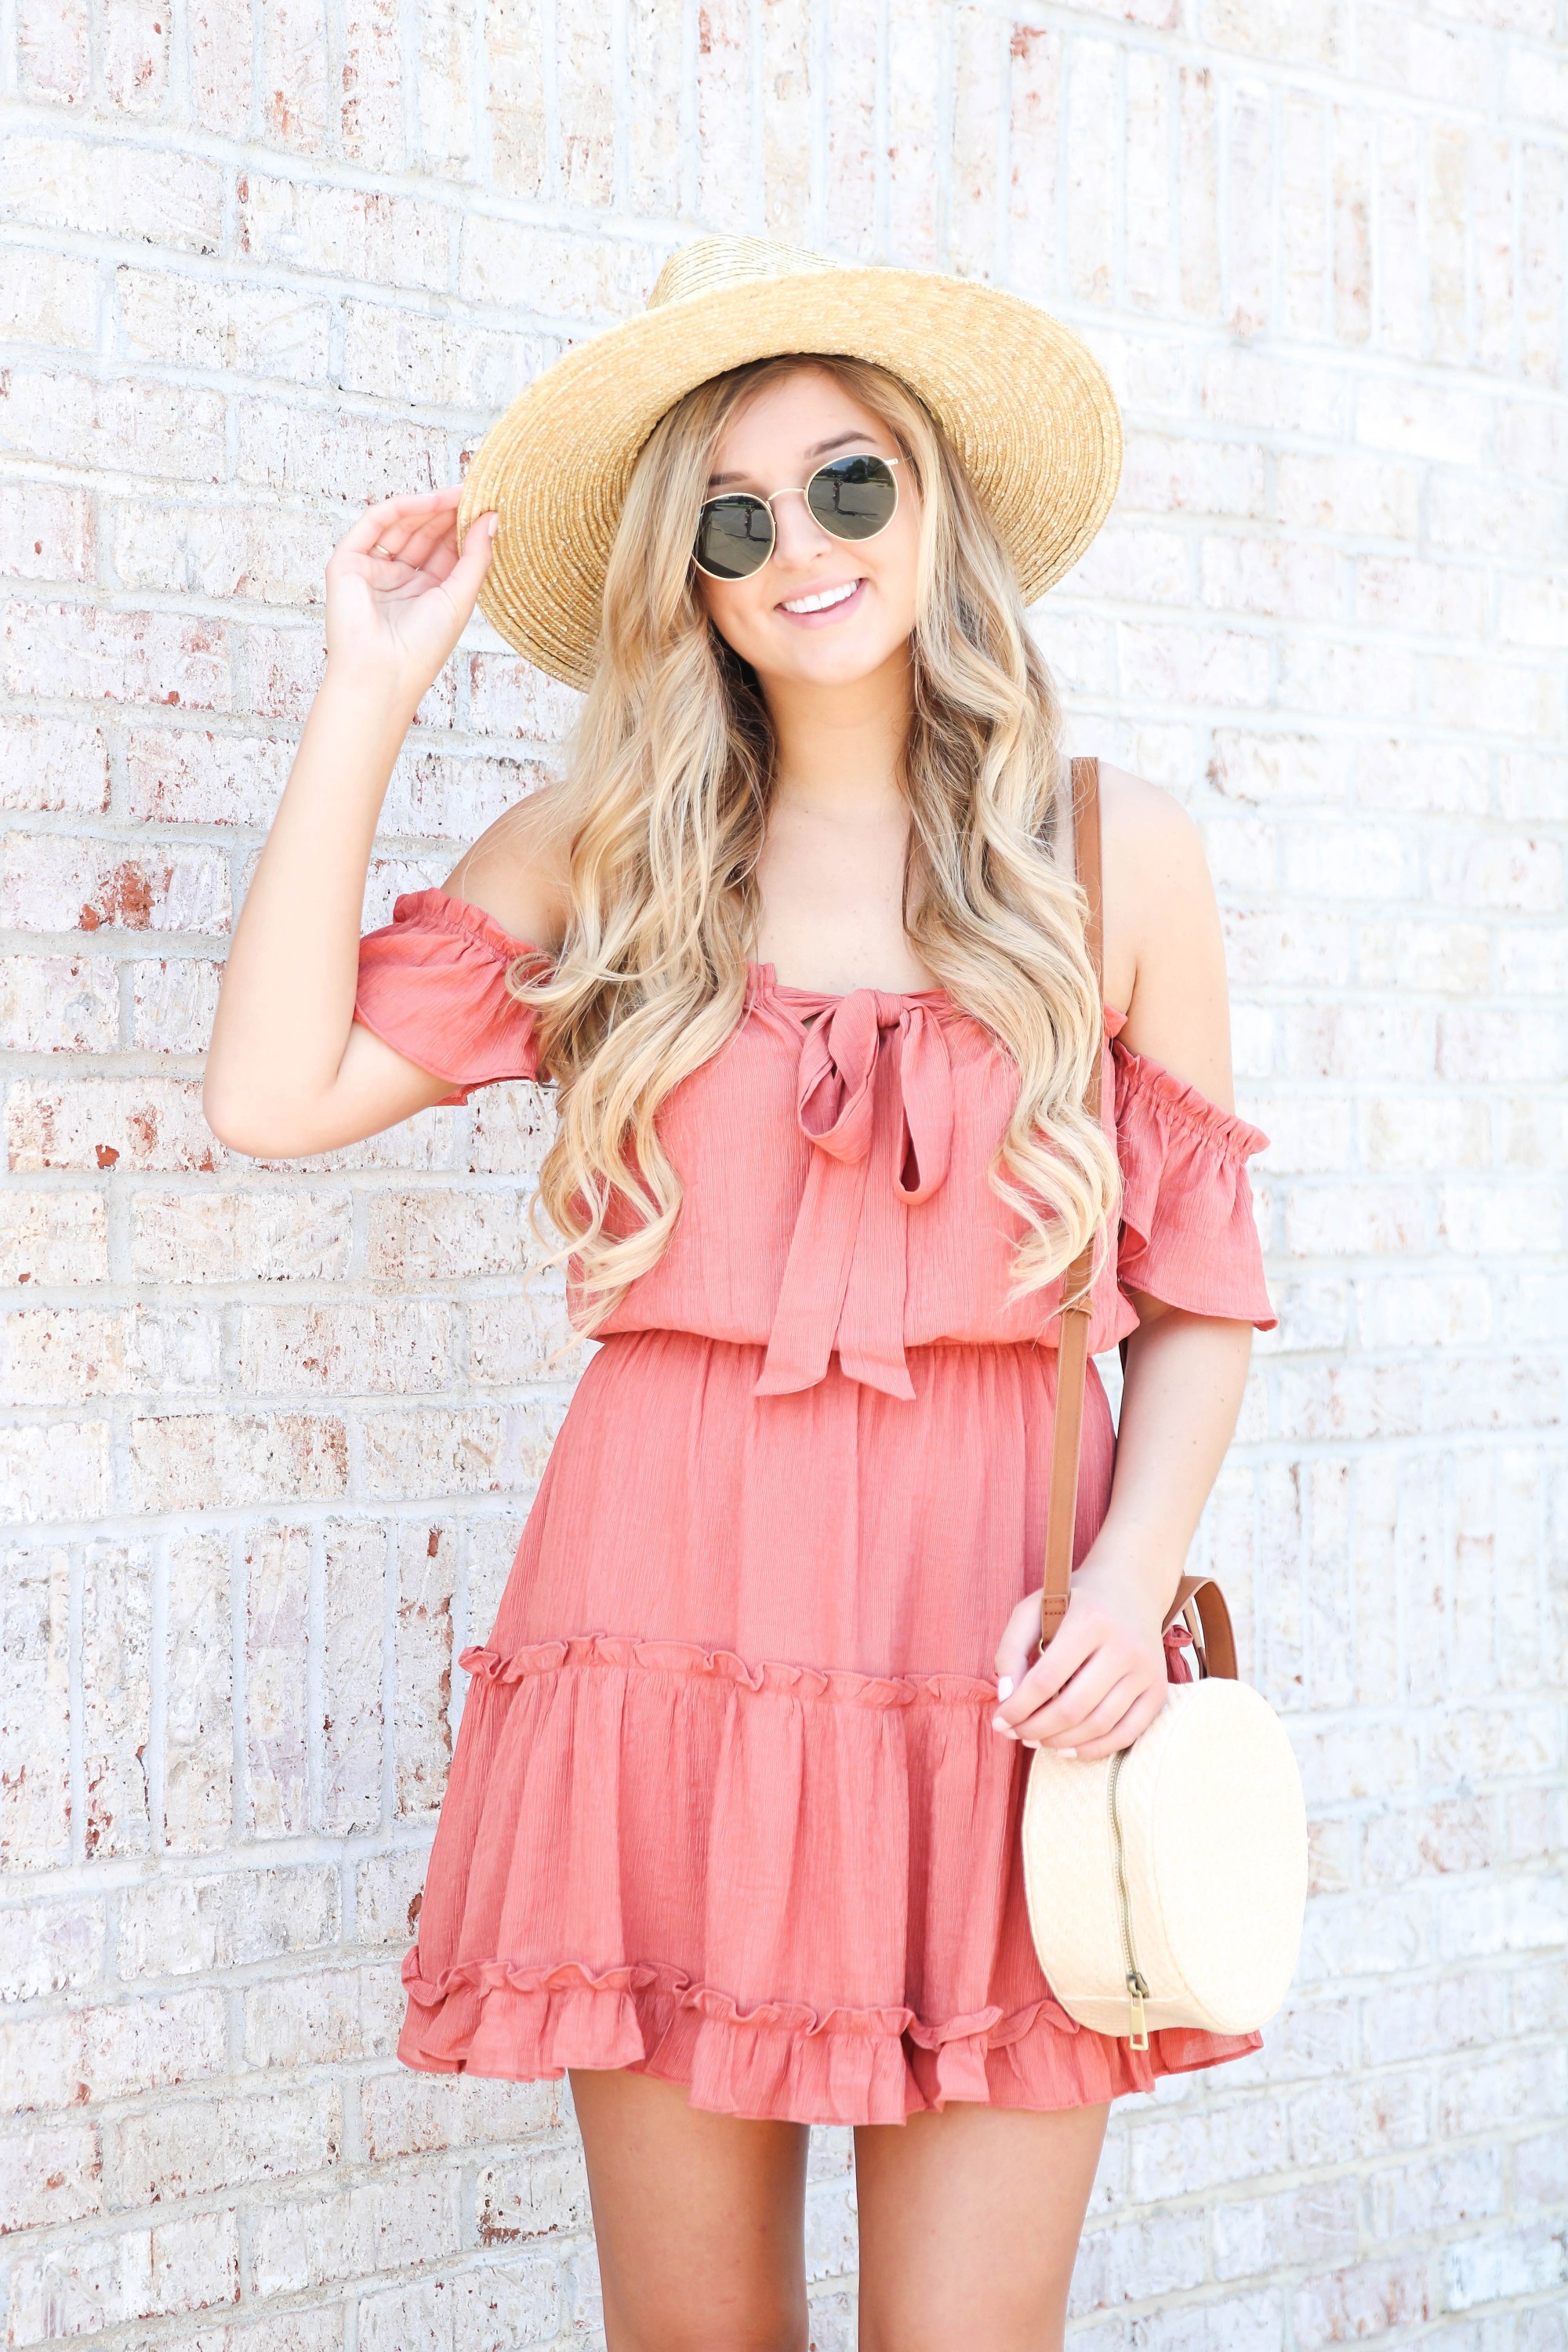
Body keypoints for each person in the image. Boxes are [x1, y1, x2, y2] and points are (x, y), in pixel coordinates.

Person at [204, 238, 1275, 2352]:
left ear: (935, 504)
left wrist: (1127, 1582)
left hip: (993, 1666)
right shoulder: (614, 850)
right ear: (689, 583)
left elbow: (1206, 1296)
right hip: (664, 1650)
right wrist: (367, 687)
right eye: (735, 517)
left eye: (848, 485)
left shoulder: (1107, 849)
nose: (801, 548)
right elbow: (273, 1089)